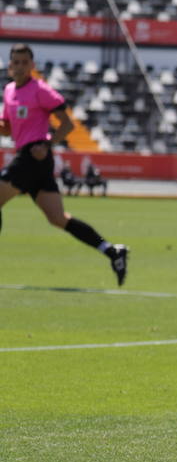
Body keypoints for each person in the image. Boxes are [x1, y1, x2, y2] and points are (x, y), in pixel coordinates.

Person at [0, 44, 129, 285]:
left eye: (24, 62)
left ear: (32, 66)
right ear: (9, 66)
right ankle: (112, 252)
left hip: (33, 155)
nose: (19, 67)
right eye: (15, 62)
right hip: (31, 159)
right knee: (58, 218)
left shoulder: (40, 90)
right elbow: (7, 128)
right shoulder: (9, 91)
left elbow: (67, 125)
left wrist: (48, 144)